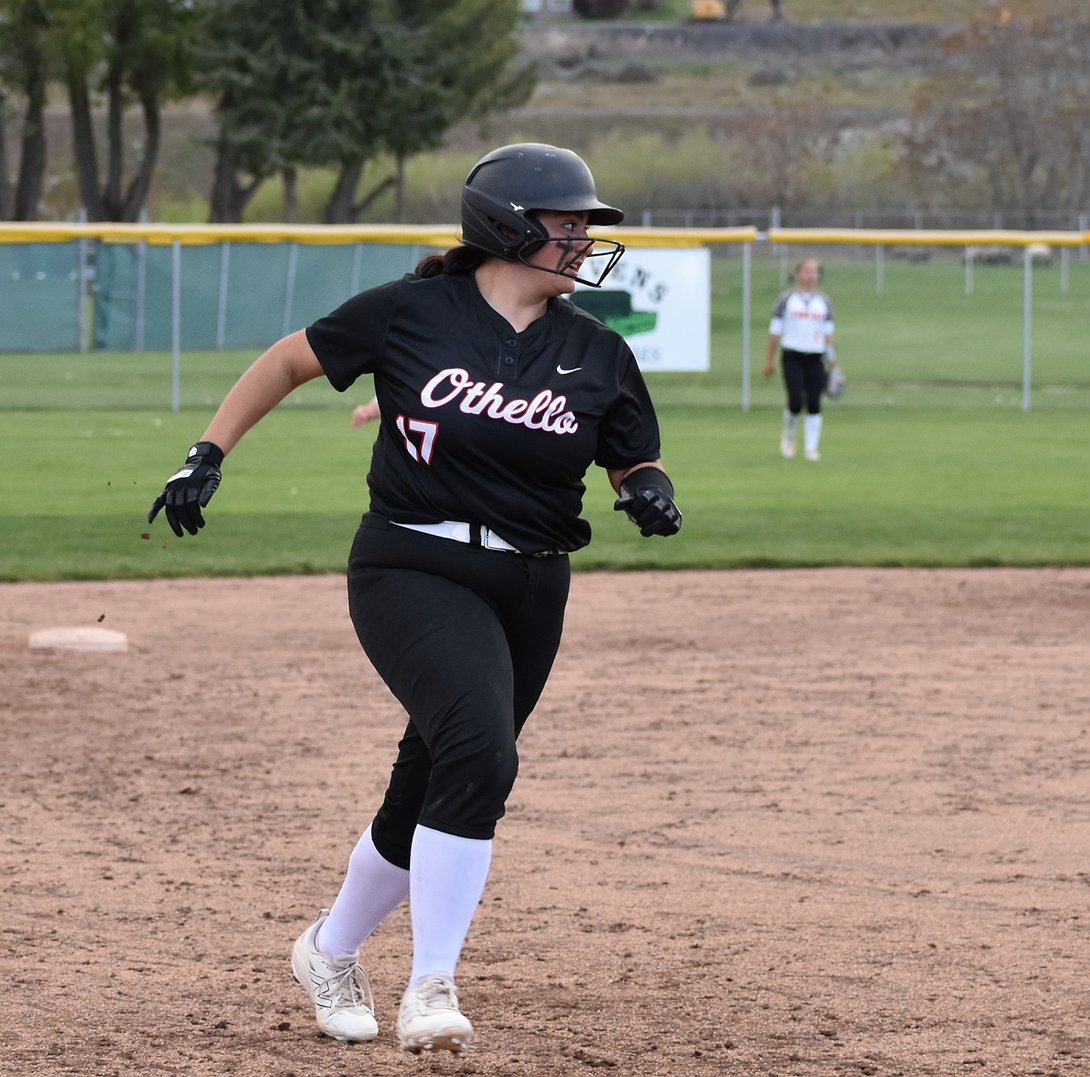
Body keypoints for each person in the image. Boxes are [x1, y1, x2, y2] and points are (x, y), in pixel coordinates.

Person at [147, 142, 682, 1055]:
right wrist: (207, 454)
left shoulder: (596, 349)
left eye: (586, 226)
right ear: (506, 227)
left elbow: (632, 454)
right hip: (412, 565)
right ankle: (432, 986)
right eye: (566, 224)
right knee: (482, 752)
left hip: (533, 581)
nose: (583, 240)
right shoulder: (411, 311)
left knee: (437, 775)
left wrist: (648, 488)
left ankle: (328, 949)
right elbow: (287, 361)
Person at [762, 257, 837, 461]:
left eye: (814, 271)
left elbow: (829, 334)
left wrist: (833, 361)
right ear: (797, 273)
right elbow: (775, 332)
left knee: (814, 402)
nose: (811, 275)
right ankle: (789, 436)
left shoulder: (824, 302)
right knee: (795, 401)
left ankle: (811, 448)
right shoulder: (786, 300)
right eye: (807, 270)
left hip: (816, 357)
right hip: (793, 355)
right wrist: (769, 360)